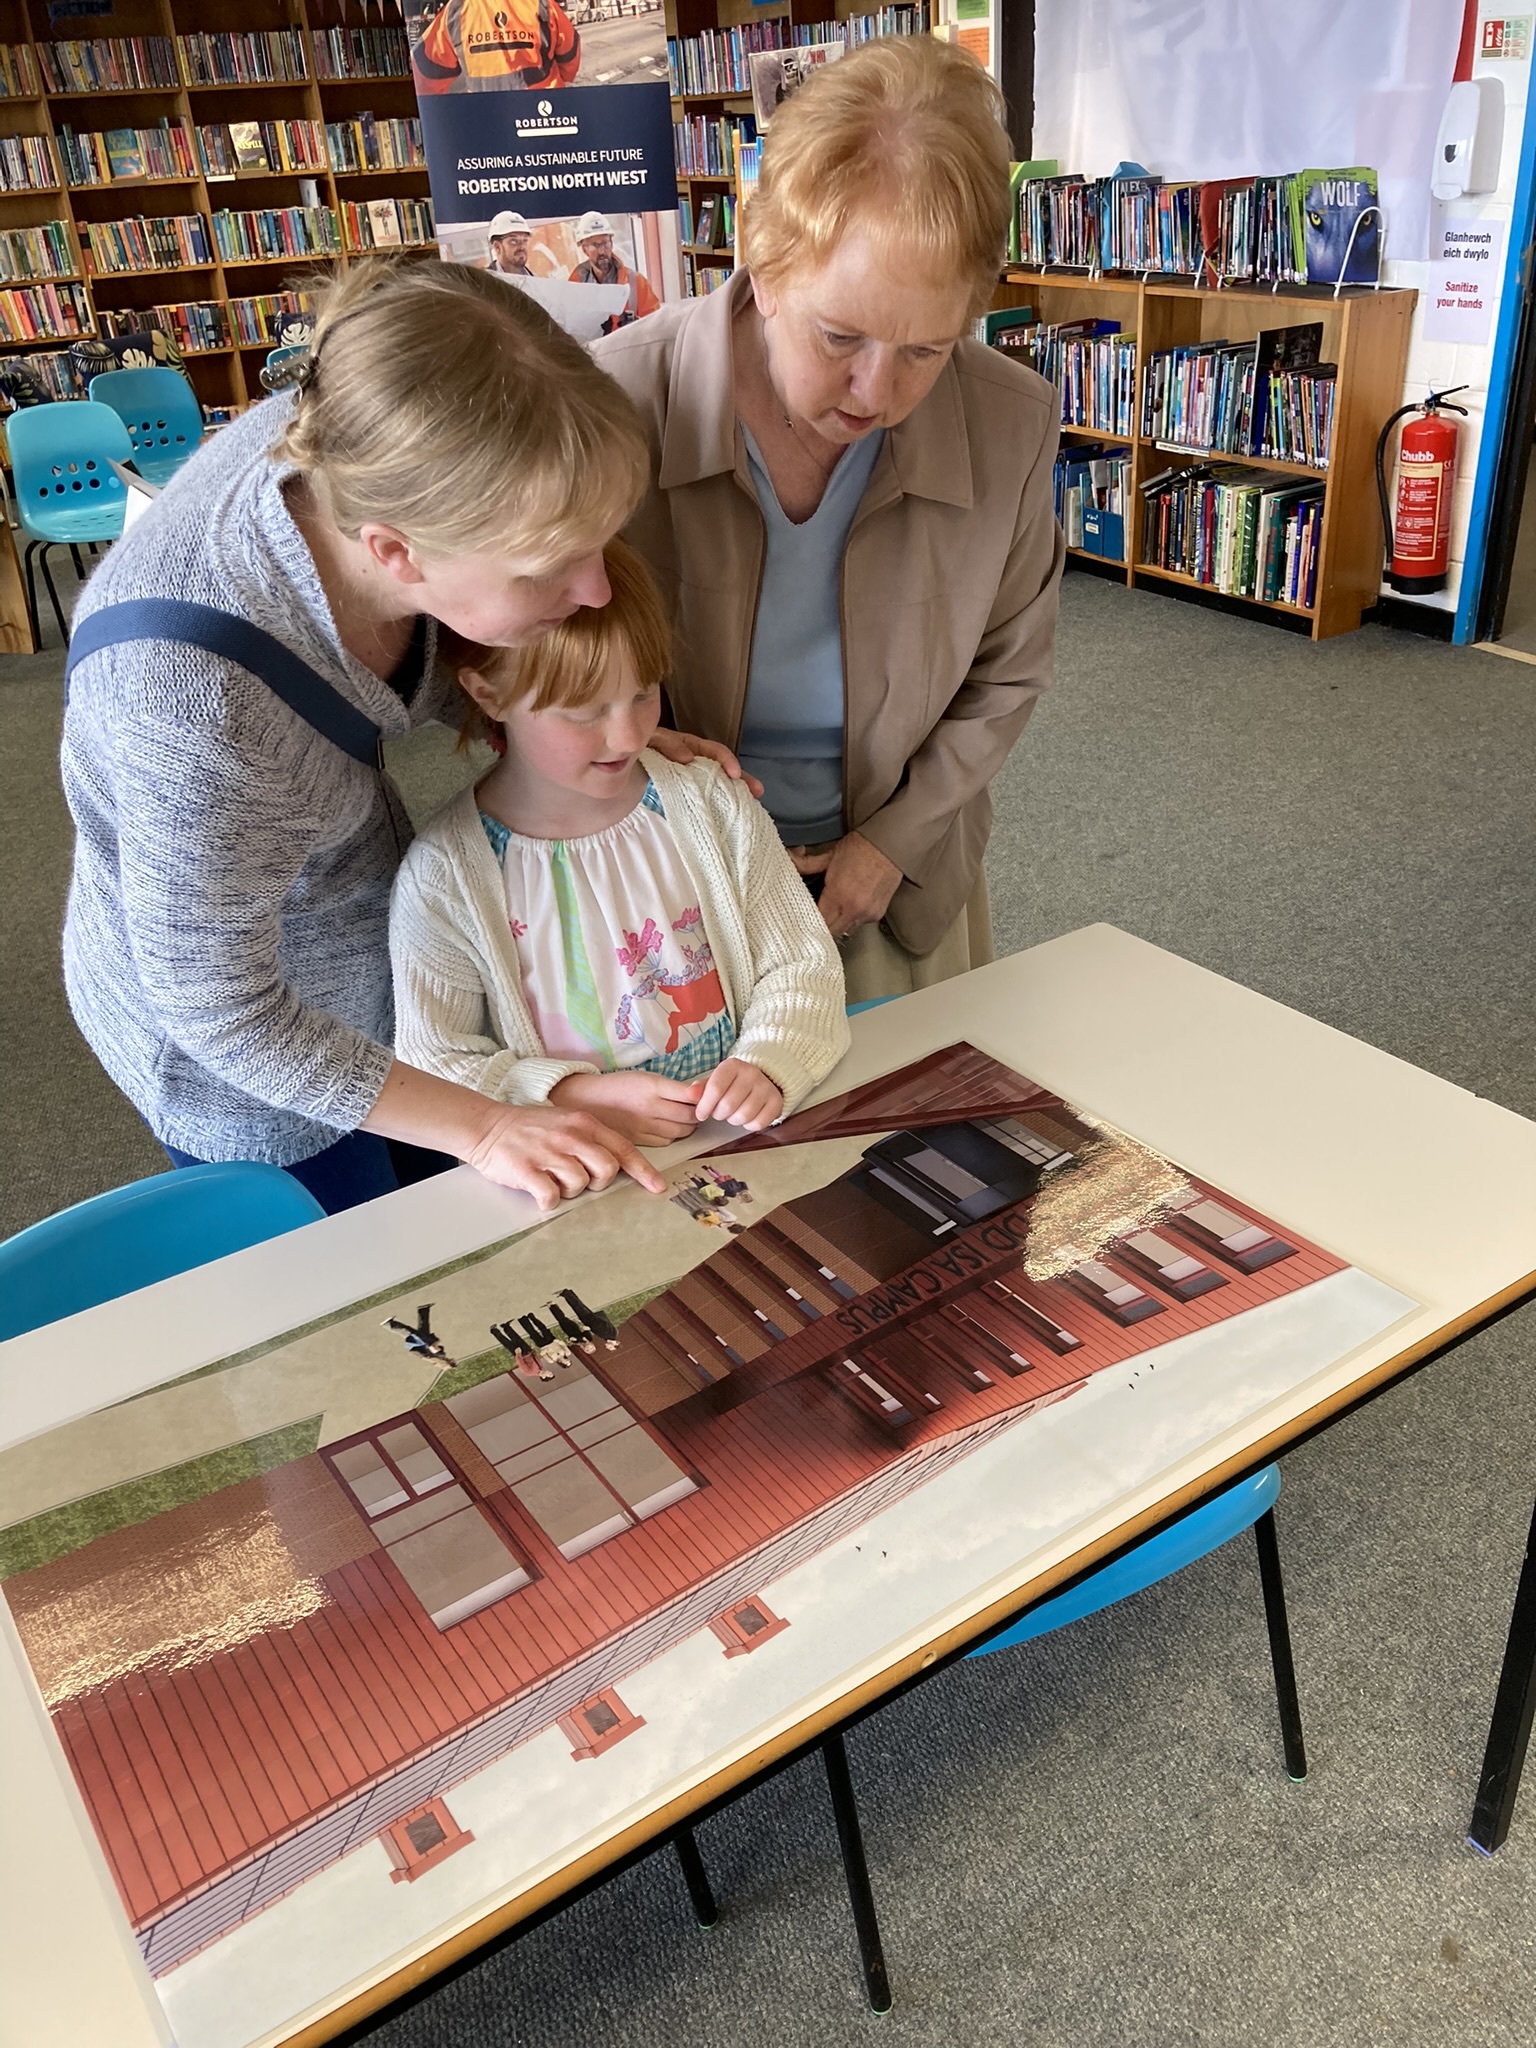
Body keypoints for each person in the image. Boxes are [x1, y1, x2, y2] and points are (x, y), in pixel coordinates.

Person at [61, 259, 742, 1217]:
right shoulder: (187, 710)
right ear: (394, 553)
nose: (595, 591)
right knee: (363, 1276)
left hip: (375, 945)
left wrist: (605, 727)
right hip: (251, 1059)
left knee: (473, 1216)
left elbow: (470, 658)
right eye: (552, 566)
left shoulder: (374, 438)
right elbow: (222, 1009)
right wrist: (483, 1123)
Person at [593, 37, 1064, 1002]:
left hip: (903, 875)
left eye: (928, 349)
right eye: (839, 335)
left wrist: (891, 843)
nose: (877, 390)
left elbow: (1008, 671)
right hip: (667, 878)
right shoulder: (617, 403)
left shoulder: (1012, 421)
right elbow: (542, 660)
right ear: (762, 268)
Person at [389, 539, 849, 1146]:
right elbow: (434, 1061)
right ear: (488, 694)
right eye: (583, 712)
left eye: (643, 693)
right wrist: (566, 1096)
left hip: (738, 1143)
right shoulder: (445, 877)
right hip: (582, 1170)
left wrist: (767, 1061)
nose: (628, 734)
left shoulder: (710, 802)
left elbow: (801, 964)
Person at [410, 0, 579, 93]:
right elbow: (570, 54)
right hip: (543, 115)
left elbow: (426, 71)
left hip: (489, 119)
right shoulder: (541, 4)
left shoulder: (457, 9)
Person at [569, 212, 660, 329]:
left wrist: (636, 325)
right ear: (584, 250)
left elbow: (656, 326)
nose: (602, 251)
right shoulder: (575, 283)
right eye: (595, 246)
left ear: (611, 243)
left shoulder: (636, 282)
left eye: (605, 243)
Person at [486, 210, 534, 276]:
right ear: (497, 247)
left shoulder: (537, 283)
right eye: (514, 241)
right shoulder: (481, 284)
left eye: (525, 240)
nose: (522, 246)